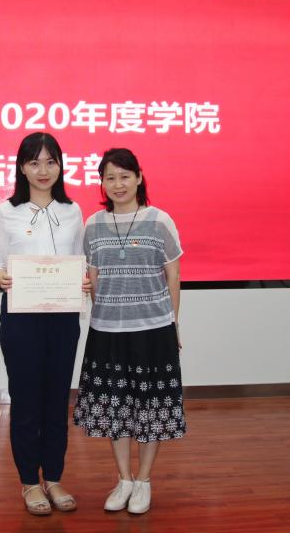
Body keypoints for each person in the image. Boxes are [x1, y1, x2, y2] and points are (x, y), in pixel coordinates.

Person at [73, 147, 185, 514]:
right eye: (110, 177)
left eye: (124, 176)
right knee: (115, 407)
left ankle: (144, 481)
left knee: (151, 408)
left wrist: (174, 323)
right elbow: (92, 277)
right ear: (102, 183)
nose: (118, 184)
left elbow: (173, 276)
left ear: (138, 178)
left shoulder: (160, 220)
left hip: (153, 329)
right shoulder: (92, 225)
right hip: (107, 331)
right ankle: (123, 479)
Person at [0, 132, 87, 516]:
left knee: (57, 400)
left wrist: (85, 280)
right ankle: (29, 481)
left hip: (63, 318)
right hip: (21, 318)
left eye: (51, 161)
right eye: (34, 162)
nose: (43, 170)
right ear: (22, 168)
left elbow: (81, 259)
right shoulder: (6, 211)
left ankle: (54, 477)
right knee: (26, 401)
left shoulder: (73, 210)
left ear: (60, 166)